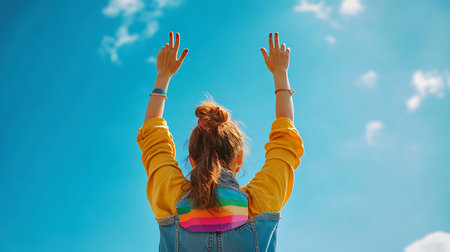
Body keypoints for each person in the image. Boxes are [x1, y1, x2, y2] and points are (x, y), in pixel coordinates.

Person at [136, 31, 304, 251]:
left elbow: (153, 138)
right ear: (239, 159)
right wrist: (281, 75)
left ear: (193, 159)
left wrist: (163, 77)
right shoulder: (262, 200)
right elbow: (285, 140)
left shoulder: (171, 196)